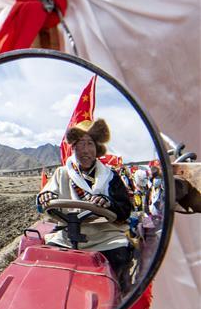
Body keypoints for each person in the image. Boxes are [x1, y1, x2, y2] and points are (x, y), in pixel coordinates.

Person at [37, 118, 133, 288]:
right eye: (81, 144)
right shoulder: (61, 174)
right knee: (46, 260)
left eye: (90, 144)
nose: (85, 150)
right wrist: (45, 197)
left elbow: (125, 210)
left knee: (121, 255)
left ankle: (121, 298)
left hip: (104, 235)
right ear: (73, 148)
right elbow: (45, 195)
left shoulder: (111, 177)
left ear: (97, 149)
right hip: (67, 235)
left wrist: (108, 204)